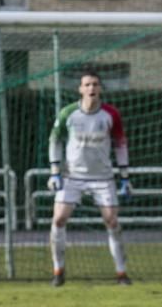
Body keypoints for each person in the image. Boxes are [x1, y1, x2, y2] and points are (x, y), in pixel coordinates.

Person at [47, 69, 133, 287]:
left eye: (95, 84)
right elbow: (54, 141)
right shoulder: (68, 114)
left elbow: (121, 145)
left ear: (100, 88)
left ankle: (121, 273)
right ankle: (58, 271)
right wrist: (55, 172)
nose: (91, 88)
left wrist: (125, 177)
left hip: (103, 178)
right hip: (72, 176)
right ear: (80, 89)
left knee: (112, 221)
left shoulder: (111, 115)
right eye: (87, 84)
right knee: (58, 219)